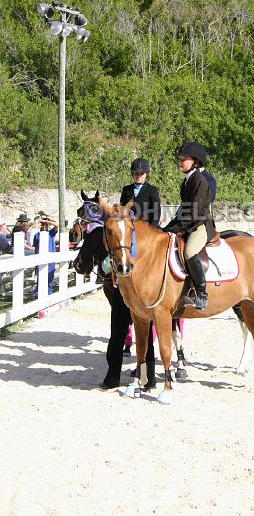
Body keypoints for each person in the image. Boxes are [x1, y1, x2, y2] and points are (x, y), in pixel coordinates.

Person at [102, 157, 161, 390]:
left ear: (146, 174)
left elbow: (154, 220)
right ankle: (113, 373)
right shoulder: (127, 190)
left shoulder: (152, 192)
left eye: (141, 173)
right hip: (125, 242)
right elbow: (118, 216)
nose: (138, 176)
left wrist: (138, 232)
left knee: (145, 323)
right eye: (135, 173)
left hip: (144, 240)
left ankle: (149, 376)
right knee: (117, 324)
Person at [163, 141, 215, 310]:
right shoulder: (186, 181)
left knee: (189, 251)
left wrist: (177, 228)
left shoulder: (200, 181)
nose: (180, 162)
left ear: (196, 162)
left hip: (200, 225)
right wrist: (168, 227)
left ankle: (202, 293)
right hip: (188, 224)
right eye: (179, 159)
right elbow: (183, 210)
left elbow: (194, 213)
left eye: (184, 159)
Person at [33, 216, 58, 297]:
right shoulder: (37, 235)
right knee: (40, 277)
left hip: (50, 259)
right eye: (42, 224)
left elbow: (58, 225)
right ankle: (38, 295)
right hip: (40, 258)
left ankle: (48, 294)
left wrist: (47, 222)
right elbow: (35, 247)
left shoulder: (51, 233)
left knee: (49, 277)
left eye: (45, 225)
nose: (43, 226)